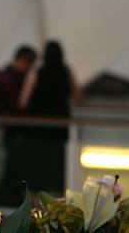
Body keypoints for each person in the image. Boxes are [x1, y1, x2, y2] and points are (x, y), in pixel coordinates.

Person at [18, 40, 80, 194]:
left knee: (38, 167)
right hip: (59, 128)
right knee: (57, 167)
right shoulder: (66, 71)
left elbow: (23, 101)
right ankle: (57, 201)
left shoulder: (37, 72)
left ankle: (36, 205)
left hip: (38, 129)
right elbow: (77, 95)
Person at [0, 45, 37, 204]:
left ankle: (7, 199)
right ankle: (9, 200)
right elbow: (20, 104)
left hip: (8, 127)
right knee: (15, 168)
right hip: (17, 129)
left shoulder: (4, 76)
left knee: (13, 167)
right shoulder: (15, 78)